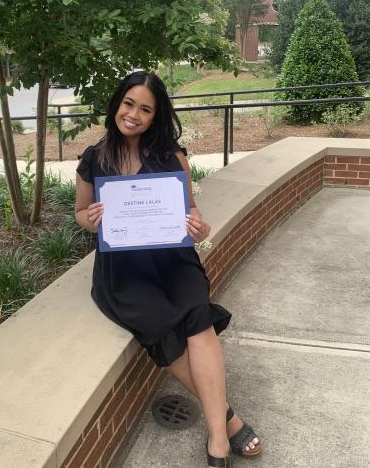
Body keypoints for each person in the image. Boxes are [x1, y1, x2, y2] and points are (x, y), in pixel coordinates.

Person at [75, 71, 261, 467]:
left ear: (155, 116)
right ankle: (228, 419)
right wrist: (91, 220)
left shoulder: (171, 156)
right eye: (129, 104)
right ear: (116, 105)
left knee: (197, 318)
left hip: (173, 260)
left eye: (146, 109)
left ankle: (217, 440)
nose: (134, 115)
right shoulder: (94, 158)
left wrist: (200, 228)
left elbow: (189, 212)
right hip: (124, 270)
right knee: (160, 325)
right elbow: (80, 214)